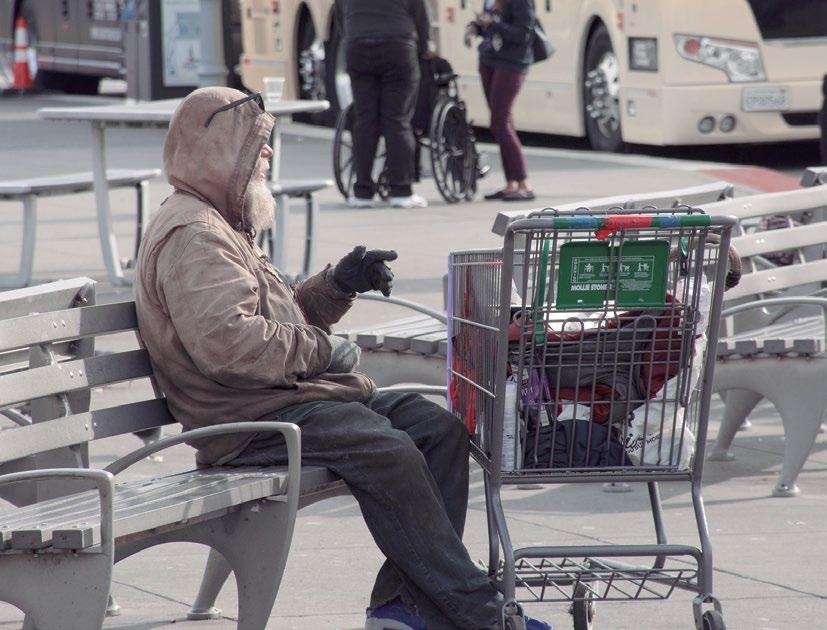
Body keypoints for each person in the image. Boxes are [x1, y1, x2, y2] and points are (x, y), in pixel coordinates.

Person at [134, 87, 553, 630]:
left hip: (280, 398)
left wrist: (336, 285)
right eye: (257, 145)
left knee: (438, 430)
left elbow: (274, 320)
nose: (268, 155)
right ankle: (480, 614)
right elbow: (231, 347)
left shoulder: (219, 221)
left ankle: (402, 605)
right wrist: (325, 350)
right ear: (219, 153)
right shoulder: (195, 234)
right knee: (388, 449)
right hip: (245, 420)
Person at [337, 0, 430, 209]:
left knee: (365, 120)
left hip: (358, 47)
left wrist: (354, 35)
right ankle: (401, 190)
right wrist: (424, 46)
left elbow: (340, 15)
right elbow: (420, 15)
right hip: (398, 47)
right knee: (397, 120)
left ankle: (362, 192)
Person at [465, 0, 535, 202]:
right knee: (502, 122)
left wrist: (492, 24)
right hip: (489, 60)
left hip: (511, 63)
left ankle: (523, 183)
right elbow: (490, 24)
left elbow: (523, 33)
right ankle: (511, 182)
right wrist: (475, 28)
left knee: (500, 122)